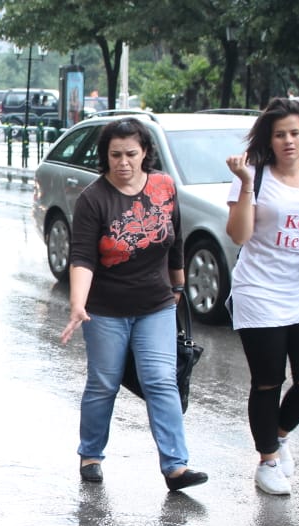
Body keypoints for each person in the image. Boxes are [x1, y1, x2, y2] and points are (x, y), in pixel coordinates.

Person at [59, 118, 208, 492]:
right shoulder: (94, 198)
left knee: (161, 381)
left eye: (130, 154)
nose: (123, 162)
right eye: (115, 155)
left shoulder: (163, 187)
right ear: (105, 157)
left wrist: (178, 286)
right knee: (104, 382)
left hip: (155, 305)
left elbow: (175, 241)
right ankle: (91, 455)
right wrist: (78, 304)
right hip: (105, 309)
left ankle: (176, 467)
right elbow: (82, 258)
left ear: (145, 153)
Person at [224, 98, 299, 497]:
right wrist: (247, 185)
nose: (288, 140)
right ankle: (267, 461)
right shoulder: (252, 174)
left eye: (295, 132)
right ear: (268, 140)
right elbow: (239, 236)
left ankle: (280, 435)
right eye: (280, 134)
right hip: (260, 290)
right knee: (268, 382)